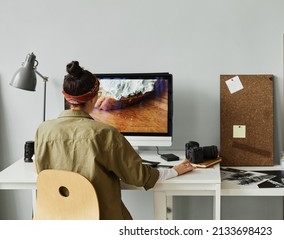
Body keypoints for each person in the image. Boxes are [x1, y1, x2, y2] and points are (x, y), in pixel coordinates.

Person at [34, 61, 195, 220]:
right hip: (99, 220)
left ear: (67, 98)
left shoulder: (42, 130)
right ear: (94, 98)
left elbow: (42, 173)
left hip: (56, 221)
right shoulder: (105, 133)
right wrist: (174, 170)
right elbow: (139, 177)